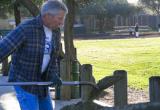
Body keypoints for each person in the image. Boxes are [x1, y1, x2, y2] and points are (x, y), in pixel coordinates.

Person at [0, 0, 68, 110]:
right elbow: (3, 49)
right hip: (25, 82)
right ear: (47, 16)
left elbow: (53, 57)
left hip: (42, 84)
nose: (62, 22)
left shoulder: (56, 32)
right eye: (60, 18)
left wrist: (53, 74)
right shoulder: (26, 28)